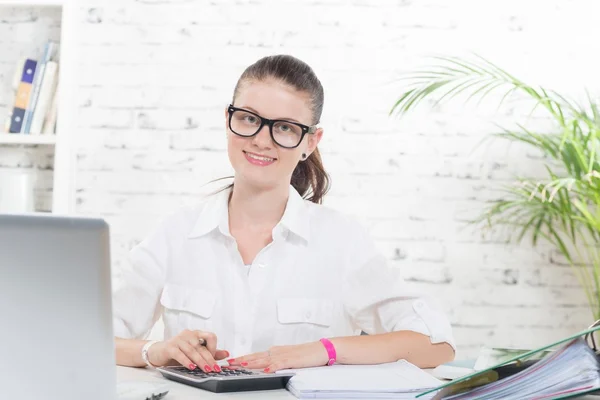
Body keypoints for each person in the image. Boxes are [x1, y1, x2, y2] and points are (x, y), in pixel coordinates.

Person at [113, 54, 455, 375]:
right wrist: (154, 351)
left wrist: (324, 350)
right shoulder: (175, 233)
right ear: (228, 121)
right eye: (249, 119)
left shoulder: (341, 241)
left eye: (286, 128)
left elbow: (436, 344)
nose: (262, 140)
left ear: (310, 141)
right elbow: (90, 338)